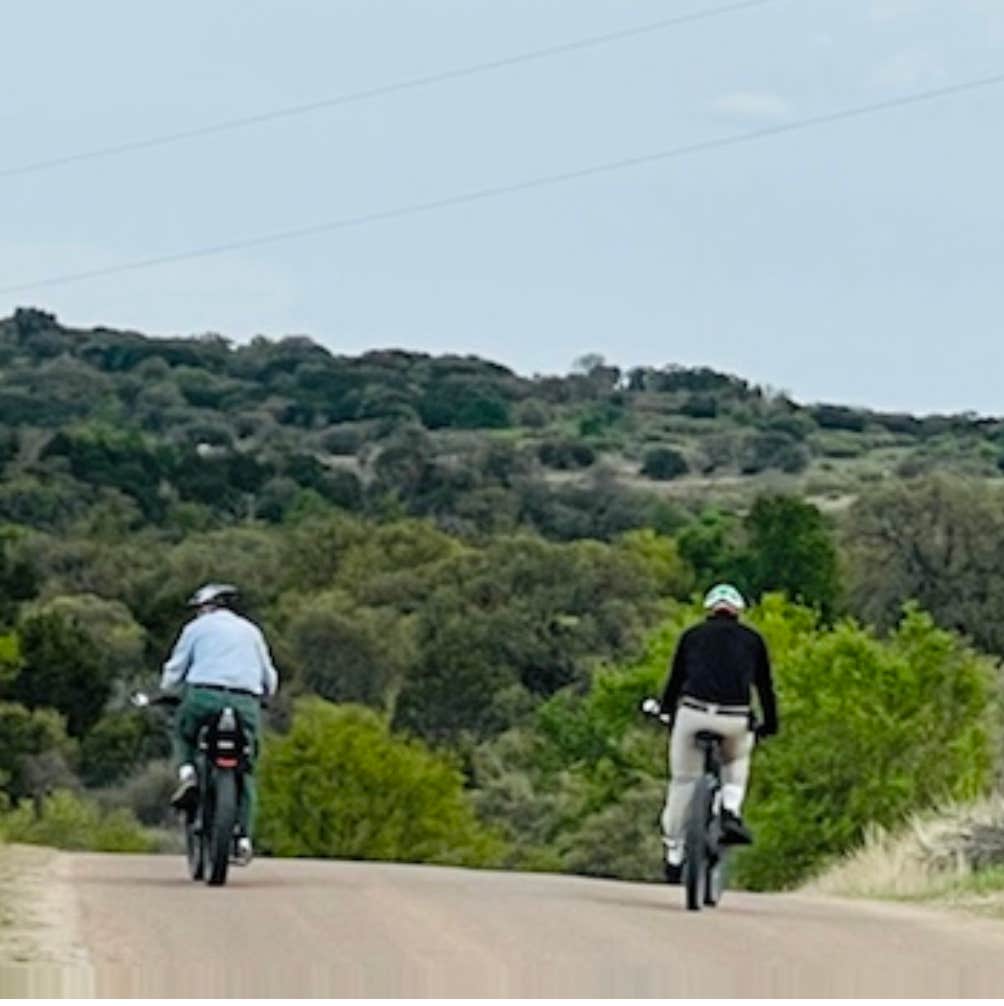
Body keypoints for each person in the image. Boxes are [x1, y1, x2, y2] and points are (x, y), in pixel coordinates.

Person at [657, 583, 777, 883]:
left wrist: (666, 711)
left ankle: (674, 852)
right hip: (735, 718)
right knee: (735, 762)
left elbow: (675, 681)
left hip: (693, 714)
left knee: (683, 781)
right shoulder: (753, 640)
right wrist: (771, 723)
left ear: (709, 609)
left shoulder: (692, 636)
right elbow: (764, 687)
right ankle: (730, 810)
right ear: (738, 611)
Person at [161, 583, 279, 865]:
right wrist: (264, 695)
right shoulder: (252, 631)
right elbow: (269, 677)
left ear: (206, 607)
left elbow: (175, 668)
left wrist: (167, 689)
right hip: (245, 703)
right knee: (246, 766)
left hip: (203, 696)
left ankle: (188, 774)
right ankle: (244, 838)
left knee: (183, 732)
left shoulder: (195, 629)